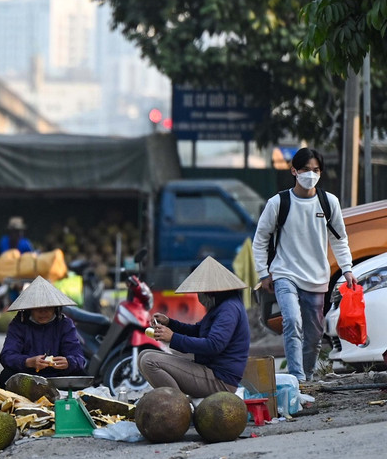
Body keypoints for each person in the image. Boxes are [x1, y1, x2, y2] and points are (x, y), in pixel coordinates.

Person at [251, 148, 355, 381]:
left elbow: (339, 240)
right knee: (292, 321)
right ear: (294, 171)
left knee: (315, 335)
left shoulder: (329, 203)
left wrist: (347, 269)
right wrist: (263, 273)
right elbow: (260, 239)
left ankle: (307, 376)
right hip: (285, 273)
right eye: (306, 169)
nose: (311, 174)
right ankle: (296, 378)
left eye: (315, 170)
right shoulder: (278, 202)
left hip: (317, 277)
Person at [142, 257, 250, 396]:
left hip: (220, 380)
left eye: (200, 291)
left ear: (211, 291)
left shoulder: (228, 309)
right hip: (208, 371)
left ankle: (179, 406)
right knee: (144, 355)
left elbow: (213, 345)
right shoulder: (220, 306)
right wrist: (170, 323)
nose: (199, 296)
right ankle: (178, 403)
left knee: (149, 361)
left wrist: (173, 338)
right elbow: (198, 330)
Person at [0, 276, 87, 386]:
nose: (43, 312)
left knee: (81, 374)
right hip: (28, 376)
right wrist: (28, 362)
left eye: (48, 308)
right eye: (37, 308)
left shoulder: (65, 324)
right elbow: (7, 356)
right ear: (29, 309)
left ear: (55, 308)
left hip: (58, 376)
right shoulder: (19, 324)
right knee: (5, 375)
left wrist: (68, 362)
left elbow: (79, 358)